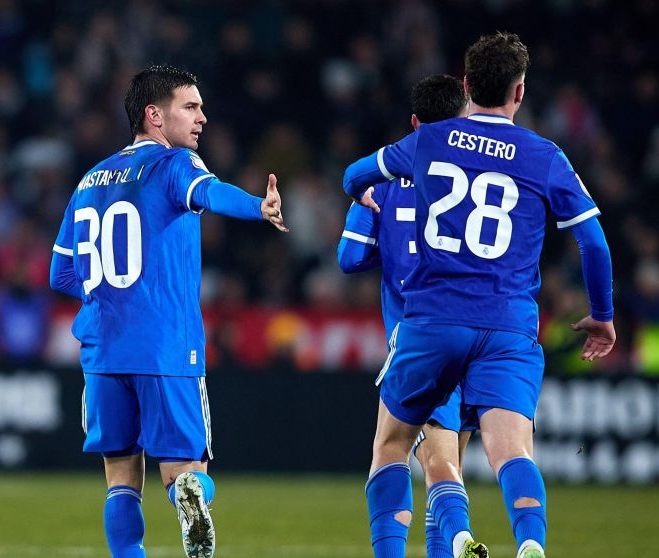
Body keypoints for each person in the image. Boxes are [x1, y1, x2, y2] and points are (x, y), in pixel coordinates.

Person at [342, 33, 615, 558]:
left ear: (466, 86)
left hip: (433, 319)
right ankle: (531, 544)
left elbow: (355, 175)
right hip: (509, 323)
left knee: (393, 445)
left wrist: (368, 195)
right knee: (513, 451)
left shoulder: (429, 141)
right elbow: (593, 241)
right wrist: (602, 315)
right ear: (519, 93)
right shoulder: (545, 155)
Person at [49, 64, 288, 558]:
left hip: (101, 348)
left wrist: (113, 295)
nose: (203, 116)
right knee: (185, 468)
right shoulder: (175, 163)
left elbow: (62, 274)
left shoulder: (90, 180)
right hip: (165, 345)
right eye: (191, 106)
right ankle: (190, 497)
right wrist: (257, 207)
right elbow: (208, 193)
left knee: (120, 476)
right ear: (155, 115)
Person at [337, 74, 470, 558]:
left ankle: (454, 538)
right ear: (465, 121)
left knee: (397, 452)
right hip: (481, 330)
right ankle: (454, 537)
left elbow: (350, 259)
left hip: (417, 335)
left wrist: (363, 207)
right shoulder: (478, 182)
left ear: (414, 124)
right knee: (447, 456)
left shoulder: (386, 180)